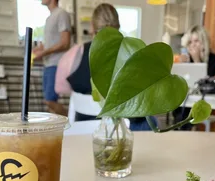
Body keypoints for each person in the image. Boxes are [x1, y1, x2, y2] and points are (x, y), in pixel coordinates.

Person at [55, 3, 155, 131]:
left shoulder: (73, 54)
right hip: (127, 129)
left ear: (92, 26)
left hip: (84, 129)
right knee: (150, 120)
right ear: (118, 26)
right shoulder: (133, 52)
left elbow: (60, 88)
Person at [33, 0, 71, 116]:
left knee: (50, 101)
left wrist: (44, 52)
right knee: (49, 103)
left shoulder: (61, 14)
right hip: (48, 64)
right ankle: (55, 131)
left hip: (56, 64)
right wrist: (40, 49)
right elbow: (52, 42)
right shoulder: (49, 18)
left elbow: (65, 42)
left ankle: (72, 124)